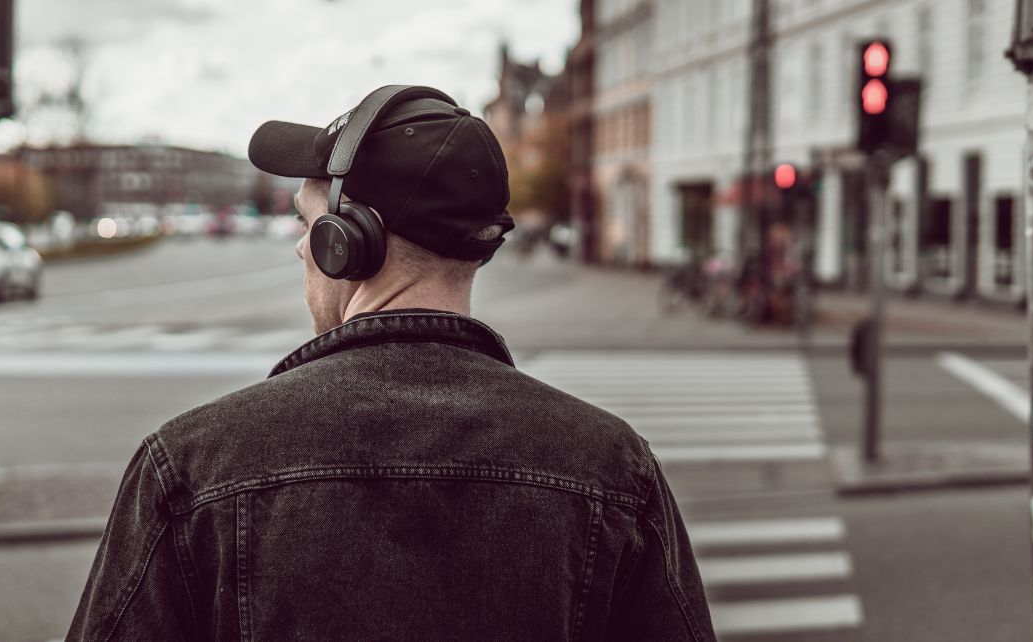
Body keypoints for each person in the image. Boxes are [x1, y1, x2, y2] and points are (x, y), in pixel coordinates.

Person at [66, 85, 715, 641]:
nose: (300, 250)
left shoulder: (190, 467)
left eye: (307, 221)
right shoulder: (610, 468)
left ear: (347, 240)